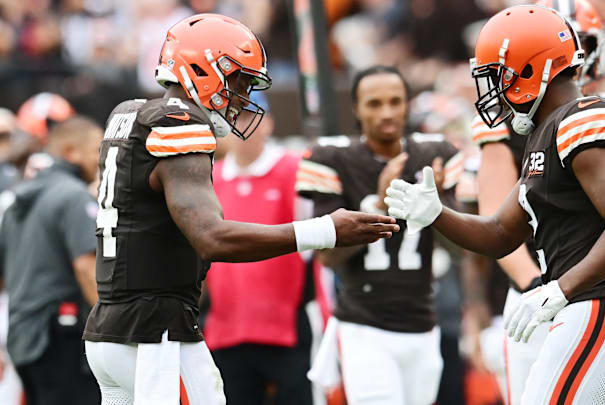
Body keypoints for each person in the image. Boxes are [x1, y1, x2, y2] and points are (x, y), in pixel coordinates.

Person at [81, 13, 399, 405]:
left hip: (111, 330)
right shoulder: (180, 124)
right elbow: (212, 237)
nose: (244, 95)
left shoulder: (129, 115)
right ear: (202, 68)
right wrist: (326, 230)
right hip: (155, 336)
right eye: (239, 80)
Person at [385, 5, 605, 403]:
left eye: (497, 75)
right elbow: (500, 233)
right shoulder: (546, 132)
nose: (492, 89)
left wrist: (561, 289)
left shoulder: (579, 118)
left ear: (530, 71)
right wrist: (437, 214)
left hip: (602, 309)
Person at [299, 65, 463, 405]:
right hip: (364, 324)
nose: (386, 113)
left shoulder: (434, 156)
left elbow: (463, 249)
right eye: (374, 104)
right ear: (356, 109)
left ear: (407, 104)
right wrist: (378, 203)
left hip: (422, 322)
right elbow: (328, 258)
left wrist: (438, 208)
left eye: (395, 102)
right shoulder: (335, 159)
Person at [470, 1, 603, 402]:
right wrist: (537, 287)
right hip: (538, 288)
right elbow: (496, 220)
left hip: (601, 287)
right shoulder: (510, 119)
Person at [203, 95, 315, 405]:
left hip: (286, 328)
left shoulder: (294, 170)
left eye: (248, 117)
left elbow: (316, 243)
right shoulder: (211, 177)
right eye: (232, 117)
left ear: (268, 123)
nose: (240, 125)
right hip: (226, 328)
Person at [1, 116, 102, 405]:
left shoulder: (15, 201)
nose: (100, 160)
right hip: (60, 338)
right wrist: (112, 327)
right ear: (71, 152)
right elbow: (86, 267)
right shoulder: (72, 196)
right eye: (96, 150)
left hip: (23, 338)